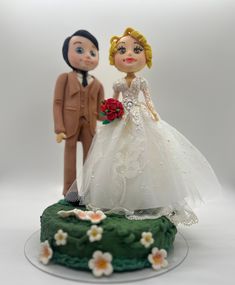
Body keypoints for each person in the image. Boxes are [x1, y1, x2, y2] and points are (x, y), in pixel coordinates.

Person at [68, 27, 221, 225]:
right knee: (117, 153)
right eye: (122, 51)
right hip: (122, 117)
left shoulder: (141, 82)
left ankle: (147, 199)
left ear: (145, 56)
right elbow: (113, 101)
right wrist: (111, 111)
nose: (129, 54)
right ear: (114, 57)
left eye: (136, 50)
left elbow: (148, 100)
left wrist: (153, 113)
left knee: (144, 151)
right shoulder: (118, 83)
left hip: (140, 116)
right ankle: (116, 198)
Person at [53, 30, 104, 196]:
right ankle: (70, 190)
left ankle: (90, 190)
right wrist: (59, 127)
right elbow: (58, 103)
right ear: (67, 52)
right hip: (70, 125)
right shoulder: (64, 79)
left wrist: (113, 112)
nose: (87, 56)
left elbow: (101, 111)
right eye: (80, 50)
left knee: (90, 158)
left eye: (93, 52)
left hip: (89, 125)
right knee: (70, 156)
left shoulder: (97, 84)